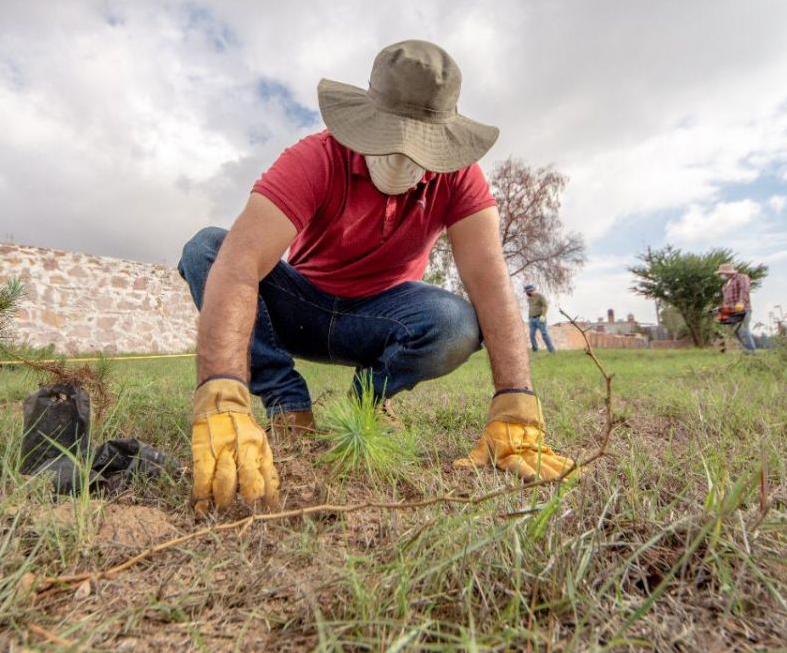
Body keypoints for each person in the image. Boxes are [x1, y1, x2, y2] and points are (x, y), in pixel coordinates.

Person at [178, 39, 576, 514]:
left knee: (456, 323)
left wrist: (516, 405)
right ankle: (287, 403)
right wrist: (223, 395)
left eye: (421, 149)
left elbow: (490, 282)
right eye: (388, 139)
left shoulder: (461, 178)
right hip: (302, 307)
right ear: (362, 123)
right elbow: (241, 264)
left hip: (380, 318)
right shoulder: (314, 159)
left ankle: (369, 399)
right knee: (208, 247)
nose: (404, 162)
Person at [717, 263, 756, 354]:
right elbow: (726, 300)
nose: (721, 275)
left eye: (722, 273)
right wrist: (723, 311)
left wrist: (741, 302)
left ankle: (751, 351)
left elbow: (744, 290)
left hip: (742, 309)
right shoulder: (726, 285)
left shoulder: (742, 277)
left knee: (743, 329)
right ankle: (745, 350)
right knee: (735, 331)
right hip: (730, 311)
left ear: (727, 272)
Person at [524, 284, 555, 352]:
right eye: (526, 292)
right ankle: (535, 349)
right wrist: (529, 318)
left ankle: (552, 350)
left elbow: (545, 306)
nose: (527, 293)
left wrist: (543, 315)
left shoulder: (540, 296)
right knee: (531, 335)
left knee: (544, 334)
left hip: (540, 318)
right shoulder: (529, 299)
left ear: (531, 290)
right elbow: (531, 308)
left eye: (528, 292)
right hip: (532, 319)